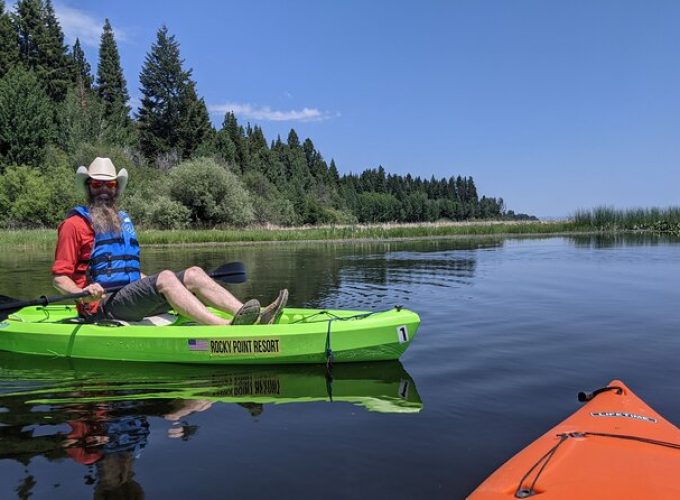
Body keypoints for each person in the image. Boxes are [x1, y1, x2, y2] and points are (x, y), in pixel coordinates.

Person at [51, 157, 287, 325]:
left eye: (109, 184)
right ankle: (224, 328)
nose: (103, 189)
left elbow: (128, 271)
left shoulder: (120, 220)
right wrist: (83, 291)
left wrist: (155, 282)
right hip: (101, 307)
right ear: (87, 187)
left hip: (129, 299)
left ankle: (253, 315)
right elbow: (60, 278)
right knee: (165, 277)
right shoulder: (74, 224)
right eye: (96, 184)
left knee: (193, 273)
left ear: (116, 188)